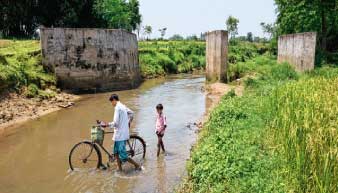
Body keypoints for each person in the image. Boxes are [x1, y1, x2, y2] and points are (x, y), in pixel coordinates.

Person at [102, 94, 141, 171]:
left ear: (114, 100)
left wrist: (107, 124)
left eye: (111, 102)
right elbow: (132, 113)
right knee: (116, 153)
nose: (111, 104)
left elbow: (115, 123)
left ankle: (137, 165)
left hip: (120, 135)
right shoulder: (123, 106)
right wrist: (128, 123)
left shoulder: (117, 108)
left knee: (123, 156)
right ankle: (120, 169)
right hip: (119, 134)